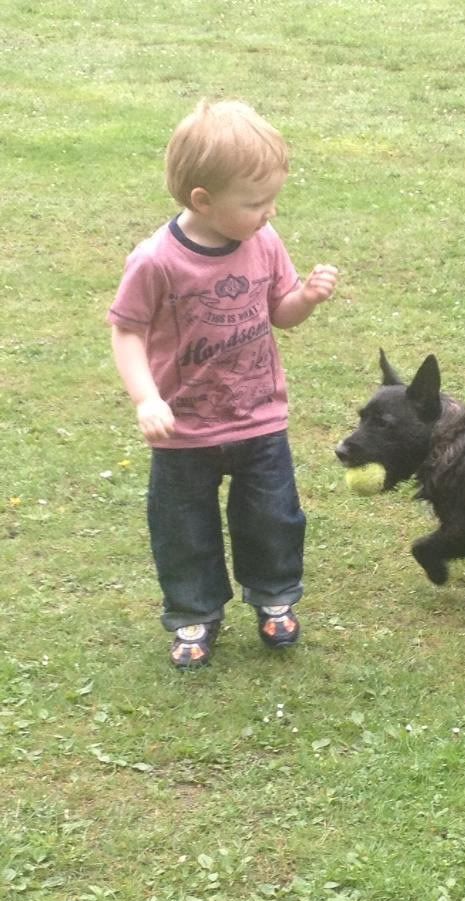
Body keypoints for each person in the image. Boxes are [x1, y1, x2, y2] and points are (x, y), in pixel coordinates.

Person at [108, 98, 338, 668]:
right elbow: (126, 332)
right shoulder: (156, 261)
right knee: (183, 526)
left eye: (271, 199)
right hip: (184, 428)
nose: (269, 211)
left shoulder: (265, 242)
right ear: (202, 201)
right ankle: (193, 614)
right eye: (255, 202)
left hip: (260, 416)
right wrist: (146, 398)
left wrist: (304, 298)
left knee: (274, 517)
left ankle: (275, 597)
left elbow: (278, 312)